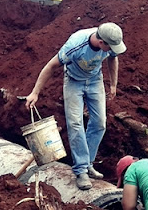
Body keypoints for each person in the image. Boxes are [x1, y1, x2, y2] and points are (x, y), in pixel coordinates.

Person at [24, 22, 127, 190]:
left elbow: (113, 60)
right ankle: (80, 170)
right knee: (75, 124)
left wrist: (113, 84)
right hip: (74, 82)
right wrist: (35, 92)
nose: (113, 50)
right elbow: (51, 66)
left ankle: (87, 164)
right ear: (102, 43)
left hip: (95, 81)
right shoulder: (75, 46)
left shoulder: (109, 42)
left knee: (100, 123)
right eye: (111, 47)